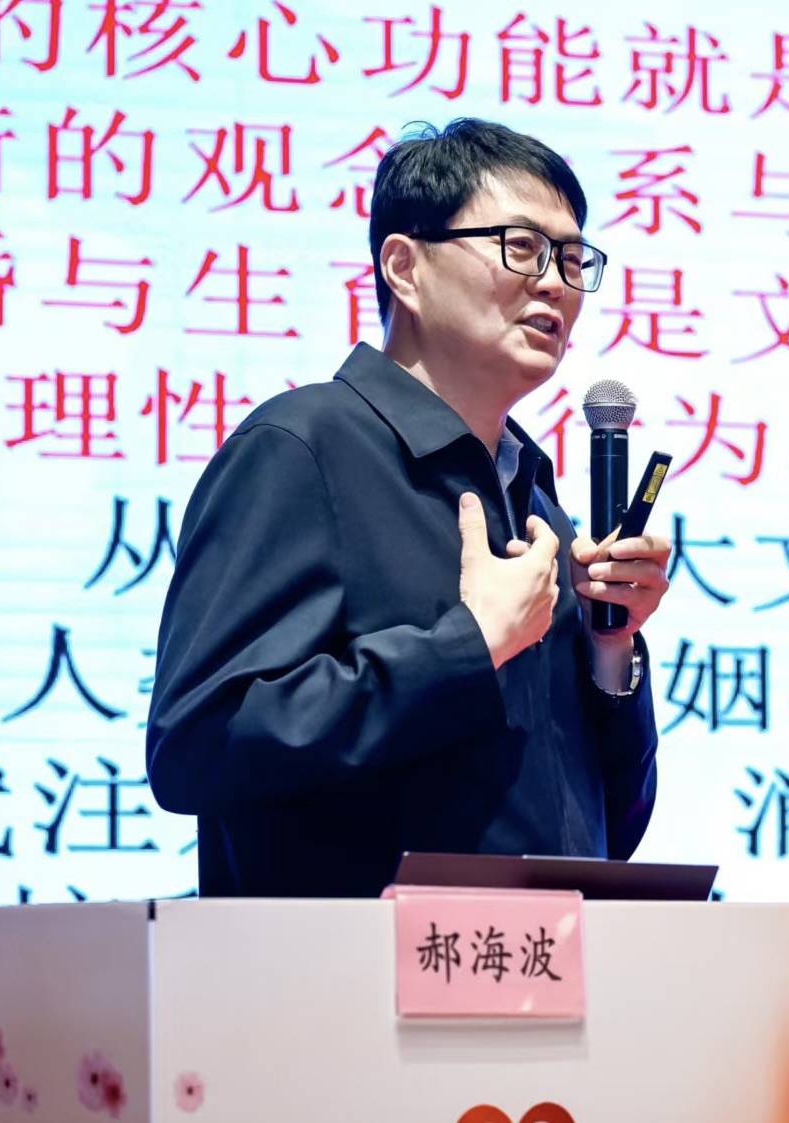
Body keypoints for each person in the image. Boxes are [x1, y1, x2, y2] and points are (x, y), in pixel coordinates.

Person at [145, 118, 671, 897]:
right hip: (352, 967)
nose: (555, 283)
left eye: (570, 258)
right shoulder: (303, 446)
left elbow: (603, 830)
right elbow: (196, 745)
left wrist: (609, 650)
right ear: (404, 267)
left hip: (535, 959)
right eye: (522, 247)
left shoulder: (533, 496)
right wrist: (468, 646)